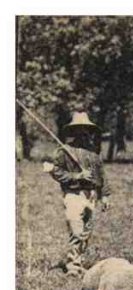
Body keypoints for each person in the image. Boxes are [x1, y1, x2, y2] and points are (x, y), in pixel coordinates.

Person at [43, 112, 111, 276]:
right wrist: (78, 176)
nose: (83, 132)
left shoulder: (93, 153)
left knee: (86, 231)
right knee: (76, 231)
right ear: (73, 131)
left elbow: (102, 175)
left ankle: (78, 261)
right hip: (73, 195)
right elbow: (56, 172)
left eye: (86, 129)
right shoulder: (64, 151)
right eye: (79, 129)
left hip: (92, 195)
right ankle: (73, 266)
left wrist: (105, 195)